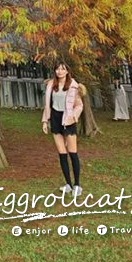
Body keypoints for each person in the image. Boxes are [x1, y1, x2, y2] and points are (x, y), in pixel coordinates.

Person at [41, 62, 84, 196]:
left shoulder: (73, 86)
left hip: (68, 120)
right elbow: (47, 105)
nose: (59, 71)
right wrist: (44, 121)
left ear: (67, 71)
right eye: (57, 69)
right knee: (62, 154)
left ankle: (77, 185)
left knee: (72, 153)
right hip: (55, 119)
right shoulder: (51, 85)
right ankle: (68, 184)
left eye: (62, 69)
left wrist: (74, 117)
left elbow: (79, 105)